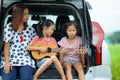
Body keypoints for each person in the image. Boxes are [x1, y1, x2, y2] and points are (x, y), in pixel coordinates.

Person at [0, 4, 36, 80]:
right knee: (8, 78)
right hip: (10, 58)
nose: (28, 16)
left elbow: (35, 44)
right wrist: (7, 62)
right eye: (25, 14)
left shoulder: (31, 29)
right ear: (18, 15)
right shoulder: (8, 28)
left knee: (26, 77)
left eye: (28, 13)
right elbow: (6, 46)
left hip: (25, 59)